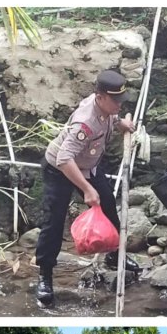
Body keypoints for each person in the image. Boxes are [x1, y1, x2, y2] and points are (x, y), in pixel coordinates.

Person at [35, 70, 138, 307]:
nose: (119, 105)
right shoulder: (85, 122)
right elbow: (63, 158)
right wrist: (87, 190)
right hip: (60, 170)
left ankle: (114, 255)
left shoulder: (105, 109)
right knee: (54, 221)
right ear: (100, 97)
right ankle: (45, 275)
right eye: (115, 101)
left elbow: (109, 118)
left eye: (121, 100)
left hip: (88, 167)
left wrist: (120, 123)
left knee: (110, 207)